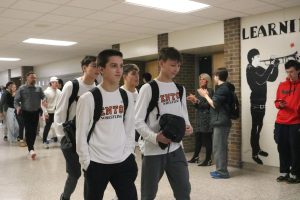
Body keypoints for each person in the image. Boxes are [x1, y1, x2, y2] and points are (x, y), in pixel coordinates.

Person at [76, 49, 138, 200]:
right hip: (96, 163)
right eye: (113, 66)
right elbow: (81, 135)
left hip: (123, 161)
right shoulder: (88, 98)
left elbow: (130, 128)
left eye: (121, 66)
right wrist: (86, 163)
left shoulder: (126, 97)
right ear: (101, 69)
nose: (119, 70)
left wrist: (129, 153)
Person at [135, 47, 193, 200]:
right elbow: (138, 121)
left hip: (176, 149)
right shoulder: (148, 89)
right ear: (161, 63)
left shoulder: (180, 89)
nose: (177, 69)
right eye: (173, 65)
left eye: (179, 65)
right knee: (148, 194)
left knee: (184, 191)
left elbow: (183, 113)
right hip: (153, 152)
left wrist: (188, 126)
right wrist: (155, 137)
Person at [54, 55, 99, 200]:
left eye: (99, 66)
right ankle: (65, 197)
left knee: (90, 172)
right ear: (84, 68)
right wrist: (62, 138)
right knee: (75, 173)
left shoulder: (97, 88)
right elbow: (60, 112)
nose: (97, 69)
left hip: (89, 137)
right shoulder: (72, 86)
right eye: (93, 65)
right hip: (70, 136)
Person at [198, 67, 232, 179]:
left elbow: (214, 104)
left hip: (221, 122)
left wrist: (205, 95)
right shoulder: (223, 88)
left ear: (218, 76)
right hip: (220, 121)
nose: (213, 77)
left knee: (220, 148)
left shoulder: (223, 89)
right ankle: (219, 170)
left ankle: (222, 172)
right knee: (218, 147)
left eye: (214, 76)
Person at [246, 48, 279, 164]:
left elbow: (271, 77)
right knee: (255, 129)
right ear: (252, 59)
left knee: (259, 127)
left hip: (262, 104)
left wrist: (276, 66)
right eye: (258, 57)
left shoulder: (259, 68)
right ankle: (254, 153)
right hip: (255, 104)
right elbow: (260, 80)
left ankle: (257, 148)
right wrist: (271, 65)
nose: (260, 59)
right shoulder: (250, 69)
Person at [274, 60, 300, 184]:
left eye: (292, 72)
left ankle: (295, 174)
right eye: (287, 72)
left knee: (295, 149)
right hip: (280, 122)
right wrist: (280, 104)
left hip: (296, 123)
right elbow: (276, 102)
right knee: (282, 148)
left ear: (298, 70)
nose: (289, 74)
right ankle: (284, 172)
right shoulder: (282, 85)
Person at [14, 72, 46, 160]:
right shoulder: (22, 88)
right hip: (26, 113)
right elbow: (16, 100)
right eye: (32, 77)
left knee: (34, 131)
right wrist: (17, 107)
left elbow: (44, 96)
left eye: (35, 78)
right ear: (27, 78)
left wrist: (44, 100)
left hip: (36, 112)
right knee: (28, 130)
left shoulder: (39, 88)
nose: (34, 79)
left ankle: (31, 148)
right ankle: (31, 149)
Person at [187, 73, 213, 166]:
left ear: (207, 80)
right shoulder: (198, 91)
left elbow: (207, 106)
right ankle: (195, 157)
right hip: (199, 117)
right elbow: (198, 107)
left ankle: (208, 159)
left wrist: (197, 101)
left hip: (207, 118)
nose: (201, 81)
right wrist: (193, 101)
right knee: (198, 137)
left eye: (203, 79)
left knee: (207, 139)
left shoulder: (210, 91)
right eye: (200, 79)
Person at [42, 76, 61, 149]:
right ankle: (44, 141)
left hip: (57, 112)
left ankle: (59, 140)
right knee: (47, 127)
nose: (57, 84)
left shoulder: (59, 91)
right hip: (49, 112)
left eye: (57, 82)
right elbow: (43, 104)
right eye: (55, 82)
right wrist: (45, 113)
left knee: (58, 127)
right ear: (51, 83)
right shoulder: (46, 92)